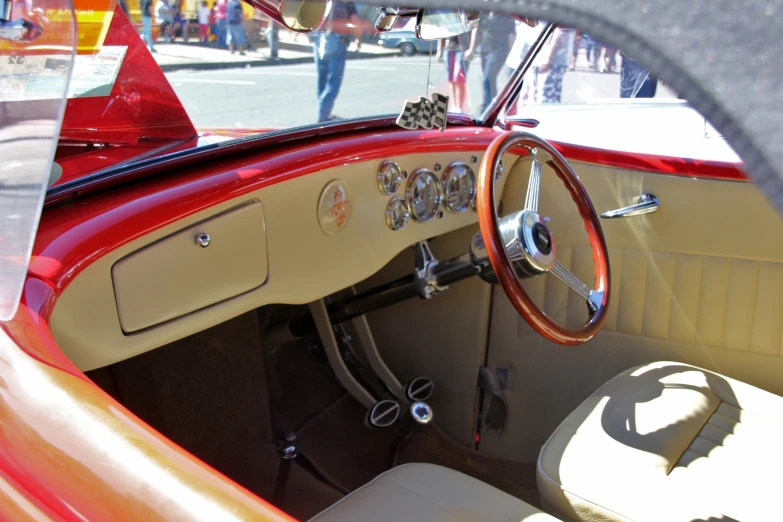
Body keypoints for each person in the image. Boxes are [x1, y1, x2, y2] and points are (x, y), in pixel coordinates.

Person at [310, 2, 361, 122]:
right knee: (333, 81)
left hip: (319, 40)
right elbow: (354, 20)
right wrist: (359, 39)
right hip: (338, 41)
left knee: (322, 78)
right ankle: (323, 115)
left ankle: (324, 111)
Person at [465, 12, 515, 112]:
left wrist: (512, 54)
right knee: (489, 81)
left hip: (500, 51)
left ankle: (490, 108)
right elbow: (477, 32)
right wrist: (471, 49)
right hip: (485, 51)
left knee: (487, 78)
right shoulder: (482, 15)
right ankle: (493, 105)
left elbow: (511, 35)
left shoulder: (506, 17)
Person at [520, 24, 574, 104]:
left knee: (545, 100)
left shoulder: (558, 13)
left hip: (550, 62)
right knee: (542, 99)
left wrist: (549, 56)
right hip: (542, 59)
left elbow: (561, 31)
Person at [436, 33, 471, 113]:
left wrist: (471, 48)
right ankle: (454, 106)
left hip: (462, 48)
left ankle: (460, 107)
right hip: (448, 49)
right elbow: (440, 33)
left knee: (459, 78)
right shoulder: (446, 20)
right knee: (451, 79)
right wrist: (439, 50)